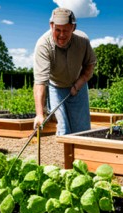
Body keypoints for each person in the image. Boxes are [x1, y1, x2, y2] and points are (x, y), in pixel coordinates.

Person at [33, 7, 96, 135]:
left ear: (73, 27)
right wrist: (40, 114)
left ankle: (80, 154)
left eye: (66, 30)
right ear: (51, 26)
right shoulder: (43, 45)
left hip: (78, 85)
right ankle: (66, 154)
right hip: (56, 87)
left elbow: (90, 65)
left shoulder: (82, 41)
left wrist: (78, 84)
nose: (61, 35)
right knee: (63, 128)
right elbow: (40, 82)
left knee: (82, 129)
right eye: (58, 30)